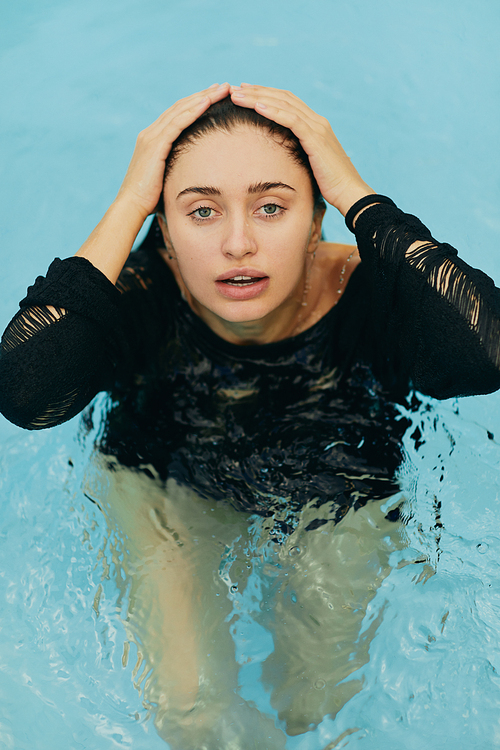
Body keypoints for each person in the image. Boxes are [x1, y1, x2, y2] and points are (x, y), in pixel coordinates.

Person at [1, 82, 500, 745]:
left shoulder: (366, 288)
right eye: (201, 213)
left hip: (340, 492)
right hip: (167, 484)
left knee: (316, 699)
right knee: (194, 712)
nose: (238, 243)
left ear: (317, 221)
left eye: (271, 207)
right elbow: (26, 394)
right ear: (167, 234)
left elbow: (486, 351)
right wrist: (128, 203)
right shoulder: (144, 290)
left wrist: (359, 195)